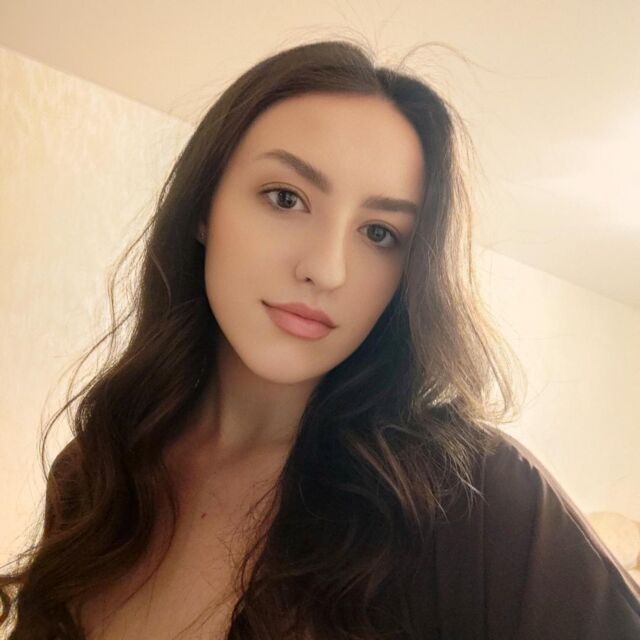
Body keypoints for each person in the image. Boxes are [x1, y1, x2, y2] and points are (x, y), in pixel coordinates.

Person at [1, 38, 639, 639]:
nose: (327, 270)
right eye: (286, 198)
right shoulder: (95, 469)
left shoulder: (468, 494)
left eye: (380, 233)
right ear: (202, 208)